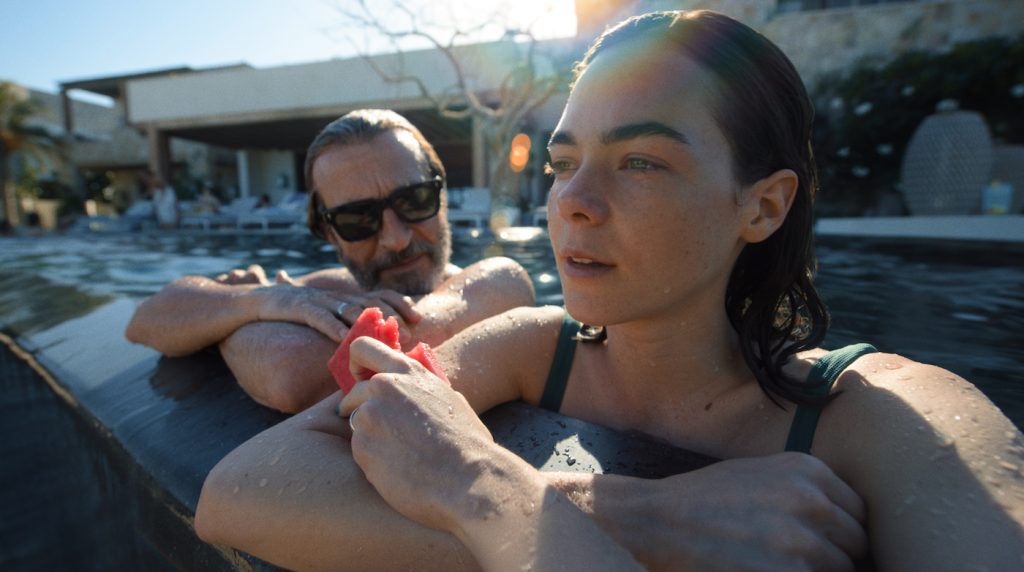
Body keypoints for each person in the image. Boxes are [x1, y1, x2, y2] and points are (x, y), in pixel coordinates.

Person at [196, 10, 1024, 571]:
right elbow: (240, 492)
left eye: (640, 161)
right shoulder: (534, 346)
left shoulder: (888, 418)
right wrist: (631, 517)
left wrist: (483, 495)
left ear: (762, 205)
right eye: (562, 163)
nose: (573, 203)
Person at [125, 109, 535, 413]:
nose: (396, 238)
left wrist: (233, 317)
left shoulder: (497, 284)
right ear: (327, 232)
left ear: (442, 198)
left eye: (415, 200)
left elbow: (291, 375)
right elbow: (146, 320)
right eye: (358, 220)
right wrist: (260, 300)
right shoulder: (319, 294)